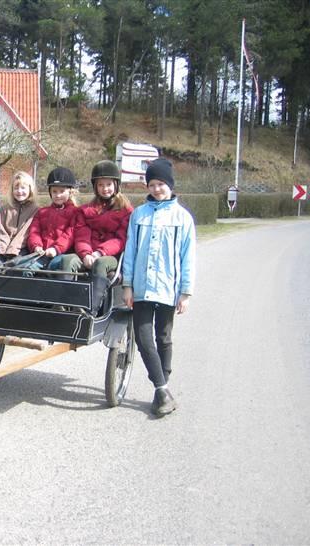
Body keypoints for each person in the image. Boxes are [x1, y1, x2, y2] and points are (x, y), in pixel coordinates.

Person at [121, 158, 196, 416]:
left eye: (161, 183)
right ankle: (162, 389)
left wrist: (185, 292)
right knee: (143, 338)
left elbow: (189, 257)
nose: (156, 189)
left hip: (167, 288)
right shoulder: (139, 215)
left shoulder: (183, 218)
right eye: (152, 184)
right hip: (141, 287)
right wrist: (127, 285)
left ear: (170, 185)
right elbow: (129, 251)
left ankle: (160, 390)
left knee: (163, 338)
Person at [64, 160, 133, 315]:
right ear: (95, 187)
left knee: (100, 264)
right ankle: (65, 305)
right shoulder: (86, 210)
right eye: (100, 185)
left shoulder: (126, 211)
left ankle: (91, 310)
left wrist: (99, 253)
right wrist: (86, 253)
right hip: (88, 253)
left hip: (110, 256)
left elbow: (121, 239)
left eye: (108, 184)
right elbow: (82, 235)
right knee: (68, 261)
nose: (105, 189)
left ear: (116, 185)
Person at [24, 166, 78, 276]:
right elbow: (34, 231)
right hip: (41, 254)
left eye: (62, 191)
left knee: (55, 268)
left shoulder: (76, 212)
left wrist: (55, 249)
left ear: (70, 192)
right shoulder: (42, 212)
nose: (58, 195)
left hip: (62, 253)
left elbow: (69, 235)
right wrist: (36, 246)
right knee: (27, 269)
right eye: (54, 191)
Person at [0, 171, 39, 268]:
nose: (19, 191)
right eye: (16, 188)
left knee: (14, 265)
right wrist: (4, 248)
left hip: (22, 247)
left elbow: (25, 233)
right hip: (3, 247)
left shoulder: (35, 210)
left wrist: (12, 251)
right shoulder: (5, 208)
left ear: (30, 189)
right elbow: (0, 230)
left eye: (23, 188)